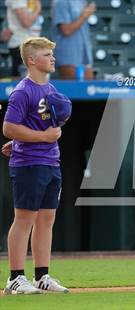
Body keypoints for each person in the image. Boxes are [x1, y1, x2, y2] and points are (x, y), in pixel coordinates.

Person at [2, 37, 69, 294]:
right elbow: (8, 127)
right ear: (31, 60)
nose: (52, 58)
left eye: (52, 54)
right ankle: (15, 278)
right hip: (30, 162)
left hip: (51, 160)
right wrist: (38, 137)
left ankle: (42, 275)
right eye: (46, 54)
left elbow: (34, 126)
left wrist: (25, 137)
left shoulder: (51, 90)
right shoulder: (23, 90)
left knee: (46, 219)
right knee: (24, 219)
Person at [51, 0, 95, 80]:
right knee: (72, 90)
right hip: (68, 55)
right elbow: (66, 30)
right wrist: (84, 16)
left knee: (89, 88)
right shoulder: (61, 2)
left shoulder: (82, 2)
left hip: (84, 55)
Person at [5, 0, 42, 78]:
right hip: (21, 45)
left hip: (31, 45)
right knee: (22, 82)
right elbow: (26, 22)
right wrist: (38, 8)